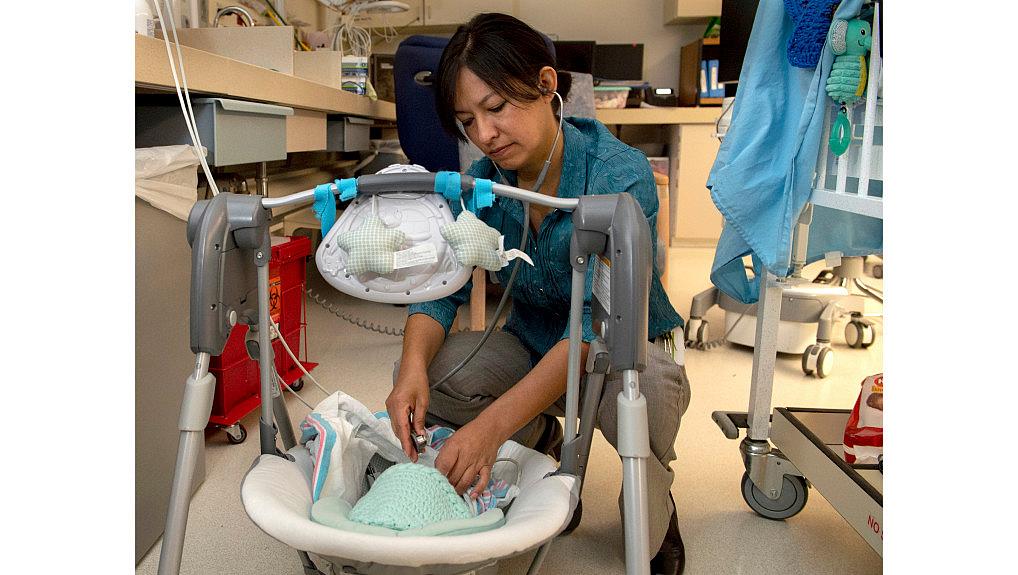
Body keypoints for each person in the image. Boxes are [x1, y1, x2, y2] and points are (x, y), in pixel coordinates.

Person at [386, 13, 691, 575]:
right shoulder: (483, 185)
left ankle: (652, 497)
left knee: (643, 396)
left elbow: (597, 331)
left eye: (497, 108)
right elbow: (438, 293)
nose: (484, 135)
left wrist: (490, 428)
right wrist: (410, 369)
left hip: (619, 351)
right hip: (532, 343)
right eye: (467, 120)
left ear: (548, 86)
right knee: (446, 375)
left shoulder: (618, 178)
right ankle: (543, 438)